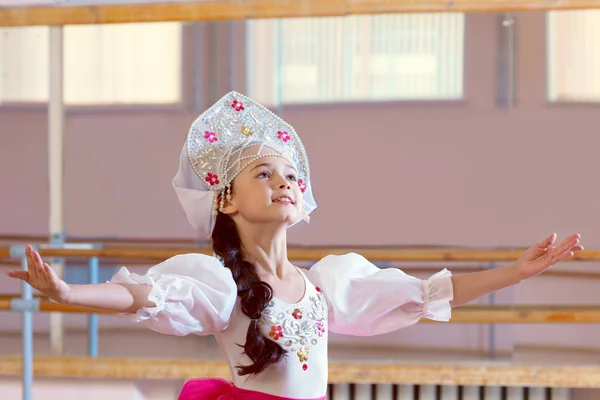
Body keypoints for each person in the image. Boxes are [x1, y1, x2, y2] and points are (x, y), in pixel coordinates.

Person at [6, 92, 583, 400]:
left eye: (289, 172)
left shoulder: (328, 285)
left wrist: (517, 271)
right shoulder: (220, 282)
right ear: (225, 201)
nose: (284, 180)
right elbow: (145, 298)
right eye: (264, 173)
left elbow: (427, 292)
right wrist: (65, 291)